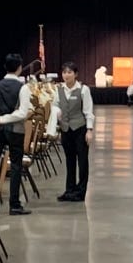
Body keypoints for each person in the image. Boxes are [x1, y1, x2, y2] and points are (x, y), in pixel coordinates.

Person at [0, 52, 33, 216]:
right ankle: (14, 204)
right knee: (15, 166)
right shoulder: (23, 87)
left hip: (0, 130)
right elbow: (22, 113)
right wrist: (6, 119)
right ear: (20, 68)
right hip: (16, 130)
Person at [49, 62, 95, 203]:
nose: (66, 75)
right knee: (69, 161)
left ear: (76, 74)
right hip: (66, 129)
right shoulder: (59, 89)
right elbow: (55, 104)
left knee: (82, 161)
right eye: (64, 72)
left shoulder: (83, 89)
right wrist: (56, 112)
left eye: (69, 72)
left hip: (80, 129)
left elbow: (88, 110)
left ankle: (81, 192)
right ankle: (69, 190)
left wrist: (89, 130)